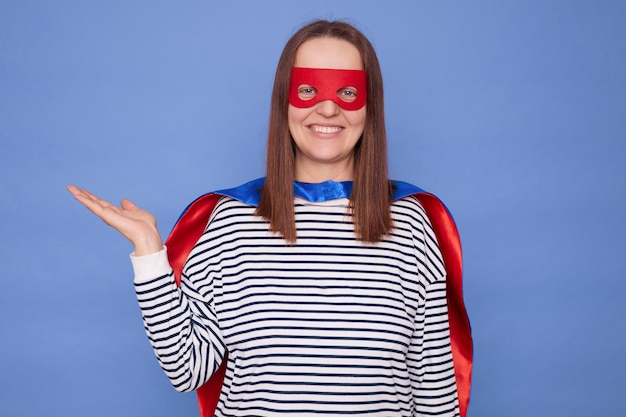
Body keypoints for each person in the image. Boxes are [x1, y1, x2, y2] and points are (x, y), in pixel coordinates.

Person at [68, 19, 472, 417]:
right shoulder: (229, 221)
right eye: (309, 89)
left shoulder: (412, 224)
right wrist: (150, 254)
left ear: (370, 106)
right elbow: (187, 370)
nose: (328, 107)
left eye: (347, 91)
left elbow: (434, 391)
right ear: (284, 100)